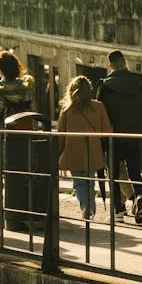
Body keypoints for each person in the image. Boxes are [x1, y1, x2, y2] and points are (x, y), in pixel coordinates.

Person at [96, 50, 142, 224]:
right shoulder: (139, 84)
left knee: (113, 173)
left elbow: (100, 112)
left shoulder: (105, 87)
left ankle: (118, 211)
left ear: (110, 65)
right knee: (134, 170)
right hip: (134, 133)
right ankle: (139, 195)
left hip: (113, 135)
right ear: (125, 62)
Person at [0, 51, 35, 221]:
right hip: (22, 133)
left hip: (1, 134)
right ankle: (21, 202)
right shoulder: (26, 88)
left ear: (0, 69)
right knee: (20, 169)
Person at [58, 76, 113, 221]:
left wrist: (58, 153)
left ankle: (85, 207)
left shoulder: (67, 109)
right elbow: (107, 130)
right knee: (90, 181)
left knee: (79, 183)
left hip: (72, 150)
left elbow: (60, 134)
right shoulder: (98, 106)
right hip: (93, 150)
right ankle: (90, 209)